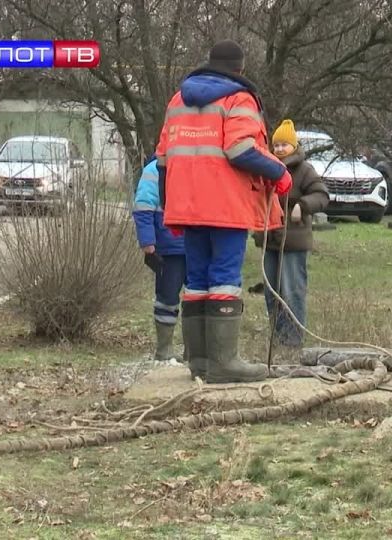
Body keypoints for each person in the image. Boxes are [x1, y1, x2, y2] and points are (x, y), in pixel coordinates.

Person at [155, 39, 293, 384]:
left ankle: (200, 362)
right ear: (240, 69)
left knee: (197, 279)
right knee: (225, 278)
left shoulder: (177, 101)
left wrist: (167, 207)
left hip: (186, 206)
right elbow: (240, 149)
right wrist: (280, 172)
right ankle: (225, 362)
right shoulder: (238, 99)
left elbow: (162, 159)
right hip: (225, 206)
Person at [253, 119, 329, 360]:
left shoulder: (305, 170)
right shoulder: (266, 168)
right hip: (270, 239)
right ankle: (277, 338)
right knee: (271, 291)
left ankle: (293, 340)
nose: (280, 149)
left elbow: (322, 195)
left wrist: (303, 206)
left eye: (285, 145)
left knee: (291, 290)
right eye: (276, 145)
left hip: (293, 241)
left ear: (294, 146)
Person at [132, 154, 186, 362]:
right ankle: (164, 350)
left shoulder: (195, 165)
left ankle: (194, 350)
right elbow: (143, 207)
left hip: (195, 245)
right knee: (167, 297)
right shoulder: (153, 170)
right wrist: (147, 242)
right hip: (168, 247)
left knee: (196, 297)